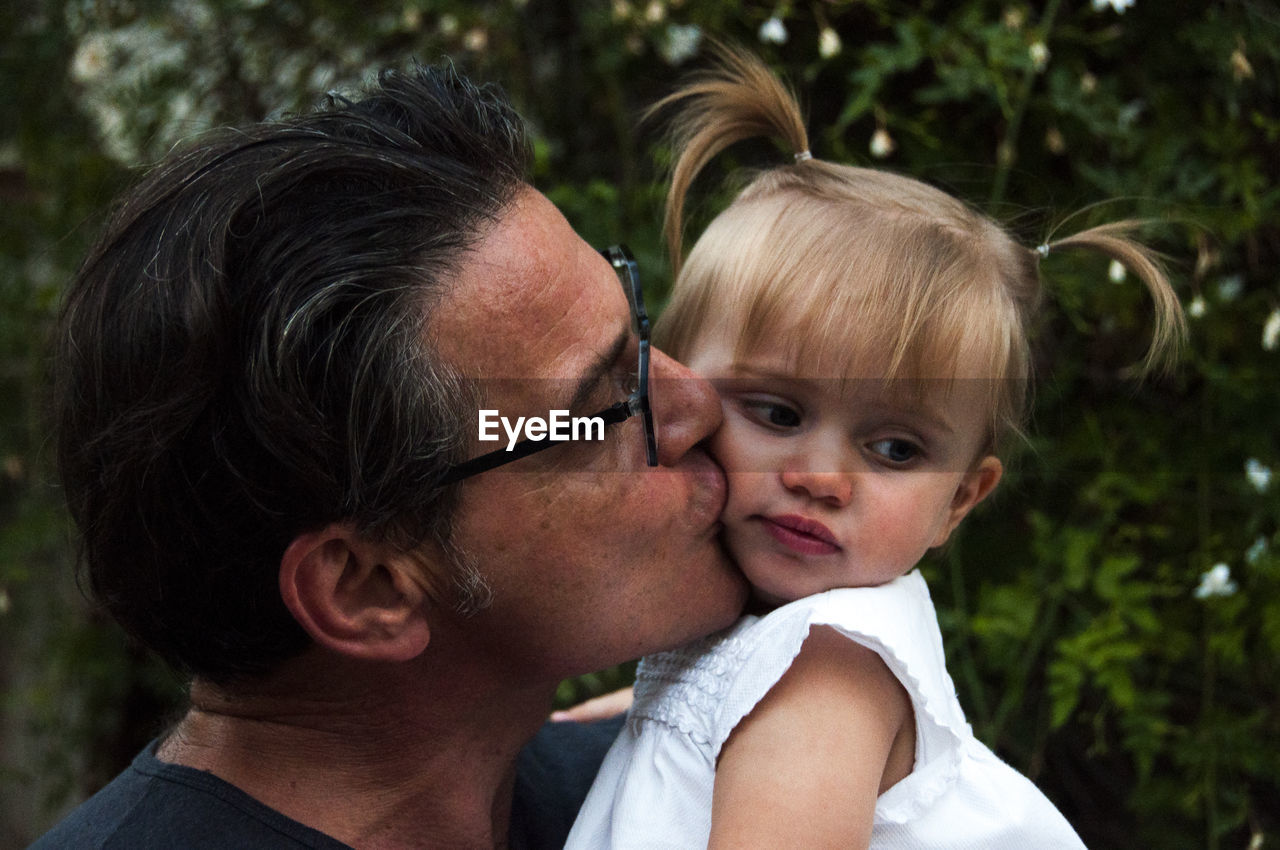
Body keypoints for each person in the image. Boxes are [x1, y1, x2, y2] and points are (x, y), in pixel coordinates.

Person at [34, 61, 748, 849]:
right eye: (598, 411)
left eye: (638, 334)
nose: (698, 404)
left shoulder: (675, 798)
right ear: (366, 588)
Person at [566, 46, 1186, 848]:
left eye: (895, 450)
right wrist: (634, 715)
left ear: (960, 500)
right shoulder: (777, 652)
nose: (822, 477)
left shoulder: (826, 673)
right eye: (779, 413)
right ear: (683, 392)